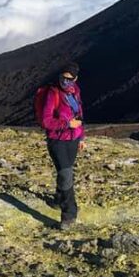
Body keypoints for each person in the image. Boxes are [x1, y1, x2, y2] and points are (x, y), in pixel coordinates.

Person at [40, 62, 85, 229]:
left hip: (73, 140)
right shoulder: (53, 93)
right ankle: (69, 214)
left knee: (64, 172)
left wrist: (81, 137)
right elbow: (46, 120)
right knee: (66, 174)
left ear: (75, 79)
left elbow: (79, 116)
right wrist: (67, 124)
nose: (65, 82)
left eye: (69, 79)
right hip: (57, 140)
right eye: (62, 78)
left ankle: (59, 200)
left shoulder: (75, 92)